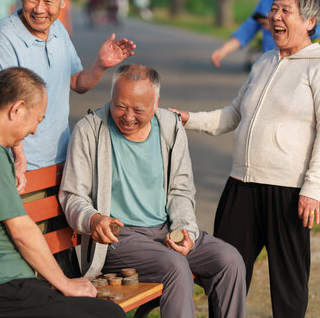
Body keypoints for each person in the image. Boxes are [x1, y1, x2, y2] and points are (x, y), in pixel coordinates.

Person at [172, 0, 320, 317]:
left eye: (286, 11)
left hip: (288, 191)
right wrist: (188, 118)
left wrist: (312, 188)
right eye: (274, 9)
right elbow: (234, 114)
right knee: (224, 272)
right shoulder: (265, 61)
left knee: (288, 283)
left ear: (310, 21)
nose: (275, 17)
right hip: (241, 186)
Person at [0, 67, 126, 318]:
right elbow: (21, 231)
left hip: (3, 285)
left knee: (109, 313)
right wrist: (65, 283)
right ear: (17, 109)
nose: (33, 131)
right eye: (37, 120)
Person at [59, 64, 246, 318]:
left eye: (138, 109)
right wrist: (93, 219)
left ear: (155, 103)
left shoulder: (170, 126)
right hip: (119, 240)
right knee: (175, 266)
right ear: (111, 97)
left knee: (230, 260)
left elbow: (181, 189)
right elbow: (73, 196)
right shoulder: (89, 130)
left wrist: (185, 232)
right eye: (120, 106)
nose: (127, 116)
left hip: (166, 232)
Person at [0, 0, 136, 193]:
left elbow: (77, 82)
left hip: (62, 161)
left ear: (64, 1)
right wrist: (18, 159)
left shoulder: (58, 31)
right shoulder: (5, 33)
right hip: (21, 168)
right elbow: (4, 103)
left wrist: (100, 64)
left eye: (48, 1)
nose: (39, 9)